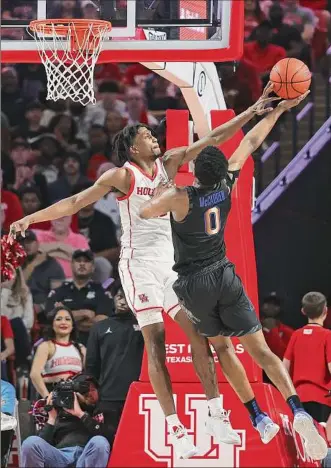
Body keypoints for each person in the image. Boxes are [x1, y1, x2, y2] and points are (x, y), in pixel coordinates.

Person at [9, 86, 286, 459]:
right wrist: (29, 218)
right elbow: (75, 202)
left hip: (171, 263)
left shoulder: (170, 162)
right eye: (146, 136)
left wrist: (254, 107)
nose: (154, 138)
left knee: (199, 335)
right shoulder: (122, 177)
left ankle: (214, 413)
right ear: (132, 148)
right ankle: (175, 426)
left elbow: (214, 137)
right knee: (155, 343)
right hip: (138, 265)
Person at [139, 89, 327, 462]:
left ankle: (256, 416)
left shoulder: (181, 197)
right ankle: (298, 409)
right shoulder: (225, 185)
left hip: (194, 285)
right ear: (220, 170)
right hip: (224, 274)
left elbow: (144, 211)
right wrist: (279, 111)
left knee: (222, 348)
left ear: (196, 171)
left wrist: (161, 187)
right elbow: (253, 140)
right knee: (260, 350)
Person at [86, 280, 144, 439]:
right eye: (119, 296)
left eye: (127, 296)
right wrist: (92, 390)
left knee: (135, 441)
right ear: (113, 298)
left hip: (137, 396)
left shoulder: (145, 326)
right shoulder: (100, 327)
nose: (122, 300)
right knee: (107, 442)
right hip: (108, 398)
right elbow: (91, 366)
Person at [21, 373, 111, 468]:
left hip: (86, 457)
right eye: (84, 391)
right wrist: (52, 418)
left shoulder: (102, 410)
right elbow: (39, 446)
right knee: (30, 443)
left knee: (100, 442)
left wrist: (81, 414)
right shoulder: (61, 411)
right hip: (60, 457)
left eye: (93, 390)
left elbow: (108, 438)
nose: (89, 393)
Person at [283, 293, 331, 432]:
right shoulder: (327, 335)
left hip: (298, 399)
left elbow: (283, 367)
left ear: (303, 311)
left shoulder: (296, 335)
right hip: (321, 400)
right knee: (321, 444)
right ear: (325, 310)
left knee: (303, 444)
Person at [44, 249, 114, 345]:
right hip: (62, 345)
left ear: (93, 267)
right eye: (78, 261)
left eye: (86, 261)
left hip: (93, 345)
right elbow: (51, 318)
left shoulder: (102, 292)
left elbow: (102, 322)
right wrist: (85, 313)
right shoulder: (58, 292)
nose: (82, 264)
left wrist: (65, 314)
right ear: (72, 265)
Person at [30, 306, 85, 399]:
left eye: (67, 319)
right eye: (59, 319)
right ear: (52, 324)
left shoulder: (80, 348)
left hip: (76, 398)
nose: (63, 322)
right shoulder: (46, 346)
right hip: (53, 395)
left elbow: (88, 376)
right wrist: (47, 398)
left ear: (72, 325)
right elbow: (34, 375)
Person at [261, 294, 294, 360]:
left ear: (280, 308)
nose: (271, 307)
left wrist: (273, 330)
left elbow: (284, 357)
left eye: (275, 304)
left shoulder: (288, 332)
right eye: (267, 303)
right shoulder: (252, 329)